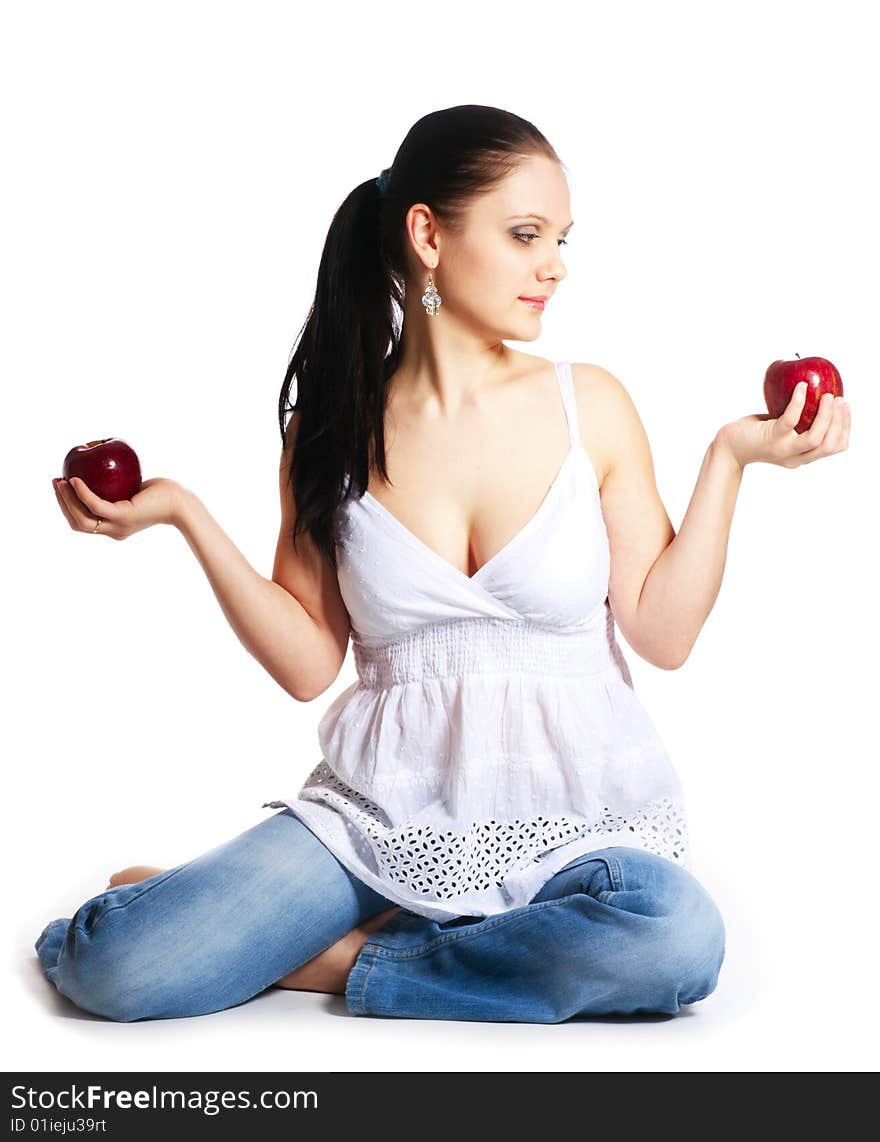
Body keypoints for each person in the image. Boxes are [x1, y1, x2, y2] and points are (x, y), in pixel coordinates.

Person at [38, 104, 850, 1024]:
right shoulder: (330, 428)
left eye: (561, 239)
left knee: (675, 937)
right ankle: (400, 921)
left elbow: (662, 635)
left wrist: (729, 461)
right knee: (117, 968)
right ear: (427, 234)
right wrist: (186, 515)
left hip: (577, 823)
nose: (555, 265)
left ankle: (350, 959)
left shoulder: (591, 403)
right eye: (525, 235)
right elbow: (308, 664)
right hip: (379, 818)